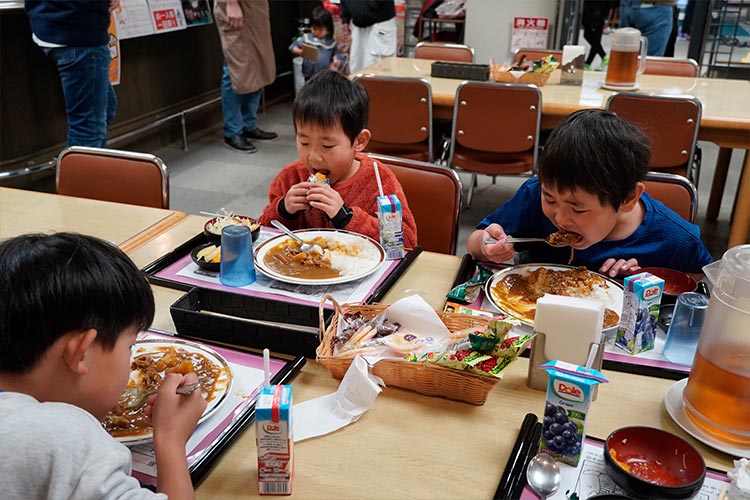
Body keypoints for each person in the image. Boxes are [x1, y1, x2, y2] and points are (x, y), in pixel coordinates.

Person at [0, 233, 207, 499]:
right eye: (129, 345)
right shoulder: (64, 439)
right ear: (81, 353)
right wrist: (170, 441)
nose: (130, 356)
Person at [467, 109, 712, 278]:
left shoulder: (675, 239)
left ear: (627, 198)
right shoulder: (533, 194)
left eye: (578, 208)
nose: (561, 218)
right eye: (550, 199)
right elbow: (475, 243)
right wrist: (487, 246)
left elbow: (701, 285)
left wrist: (650, 281)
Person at [259, 70, 418, 248]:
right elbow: (263, 235)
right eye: (304, 142)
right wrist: (284, 210)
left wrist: (346, 217)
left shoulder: (379, 181)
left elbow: (406, 243)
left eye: (327, 146)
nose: (313, 157)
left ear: (359, 141)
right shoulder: (291, 177)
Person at [25, 0, 118, 148]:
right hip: (78, 27)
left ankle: (90, 166)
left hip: (58, 22)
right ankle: (83, 170)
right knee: (89, 128)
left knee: (105, 110)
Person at [214, 0, 278, 153]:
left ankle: (249, 125)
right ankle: (233, 132)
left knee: (258, 67)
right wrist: (231, 3)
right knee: (236, 68)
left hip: (256, 7)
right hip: (236, 6)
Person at [289, 6, 346, 81]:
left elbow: (339, 56)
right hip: (308, 74)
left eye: (321, 30)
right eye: (314, 29)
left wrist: (337, 62)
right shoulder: (307, 38)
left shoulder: (331, 43)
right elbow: (293, 46)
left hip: (325, 75)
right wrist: (299, 51)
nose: (317, 32)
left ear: (328, 29)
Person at [340, 0, 397, 73]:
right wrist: (345, 17)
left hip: (380, 22)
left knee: (377, 70)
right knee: (356, 68)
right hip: (358, 23)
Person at [582, 0, 608, 69]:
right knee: (589, 35)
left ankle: (588, 63)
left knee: (595, 38)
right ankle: (604, 56)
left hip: (598, 9)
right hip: (593, 8)